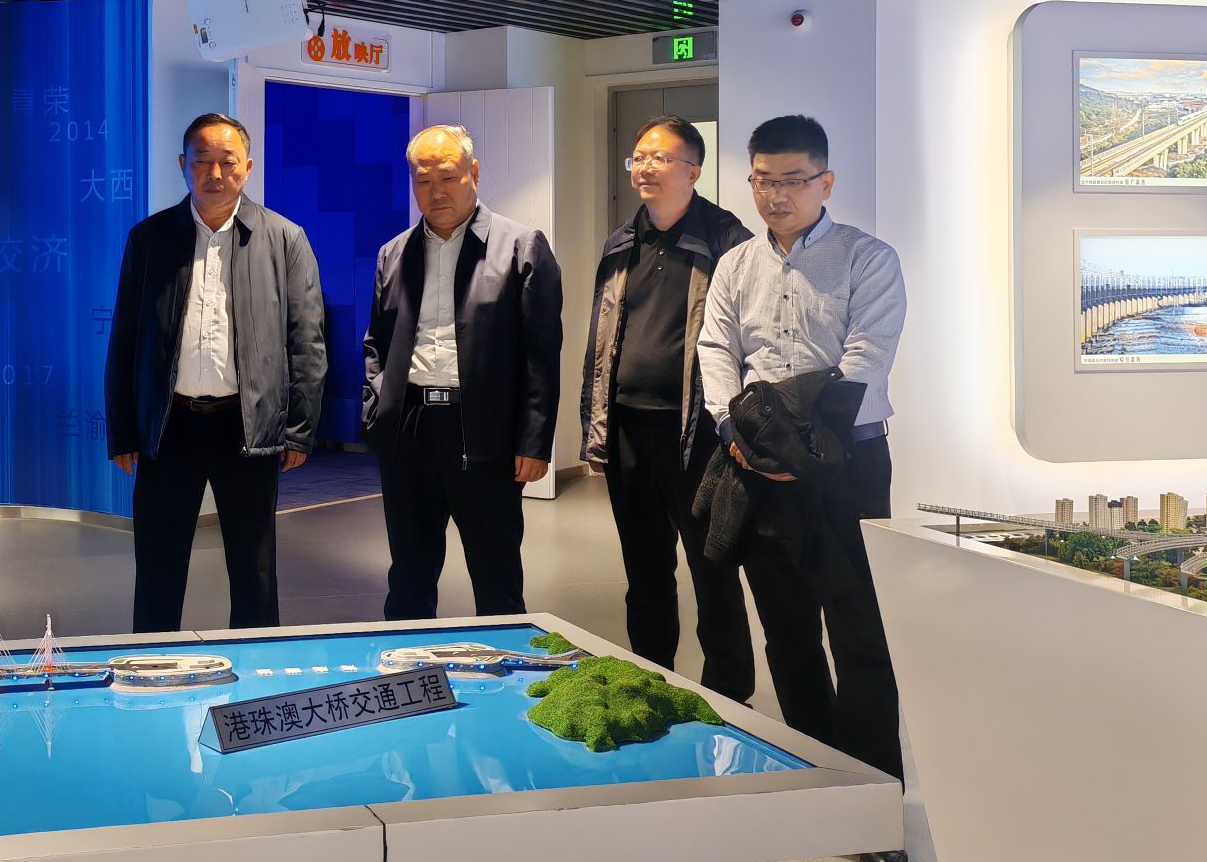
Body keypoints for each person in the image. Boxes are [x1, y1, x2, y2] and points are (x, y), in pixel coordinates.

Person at [697, 114, 910, 862]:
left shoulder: (868, 259)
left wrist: (791, 442)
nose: (776, 195)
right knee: (786, 633)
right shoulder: (736, 264)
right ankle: (819, 783)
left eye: (792, 180)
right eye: (763, 180)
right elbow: (717, 350)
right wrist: (738, 429)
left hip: (847, 469)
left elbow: (862, 363)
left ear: (826, 182)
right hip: (754, 467)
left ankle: (874, 808)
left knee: (860, 636)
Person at [106, 113, 326, 631]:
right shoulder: (150, 239)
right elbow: (125, 340)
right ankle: (153, 664)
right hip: (169, 426)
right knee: (158, 567)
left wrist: (299, 430)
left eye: (227, 161)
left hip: (245, 427)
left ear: (247, 167)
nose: (215, 173)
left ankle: (255, 666)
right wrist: (124, 430)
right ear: (182, 165)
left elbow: (307, 342)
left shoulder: (284, 238)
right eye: (201, 161)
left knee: (255, 570)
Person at [581, 116, 755, 701]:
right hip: (629, 429)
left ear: (693, 170)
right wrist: (595, 428)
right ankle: (648, 681)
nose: (645, 168)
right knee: (644, 570)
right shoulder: (620, 242)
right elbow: (600, 342)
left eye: (660, 158)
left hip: (699, 435)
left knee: (713, 571)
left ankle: (728, 693)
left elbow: (744, 343)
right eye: (638, 158)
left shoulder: (727, 241)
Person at [362, 124, 562, 618]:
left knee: (496, 576)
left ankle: (506, 663)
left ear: (474, 172)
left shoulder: (522, 246)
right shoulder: (394, 253)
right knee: (408, 576)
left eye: (448, 178)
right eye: (423, 180)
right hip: (409, 430)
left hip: (484, 432)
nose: (436, 192)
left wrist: (534, 442)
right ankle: (406, 662)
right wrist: (377, 411)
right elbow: (376, 343)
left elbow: (541, 353)